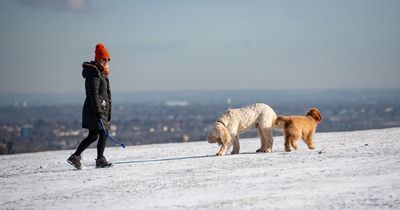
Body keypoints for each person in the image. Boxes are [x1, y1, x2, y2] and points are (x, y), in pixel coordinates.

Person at [67, 43, 113, 169]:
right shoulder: (94, 74)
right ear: (99, 59)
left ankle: (76, 157)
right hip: (95, 110)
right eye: (105, 59)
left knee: (94, 135)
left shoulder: (100, 73)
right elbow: (93, 94)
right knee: (102, 133)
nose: (107, 62)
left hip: (99, 109)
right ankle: (100, 159)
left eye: (108, 60)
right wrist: (98, 111)